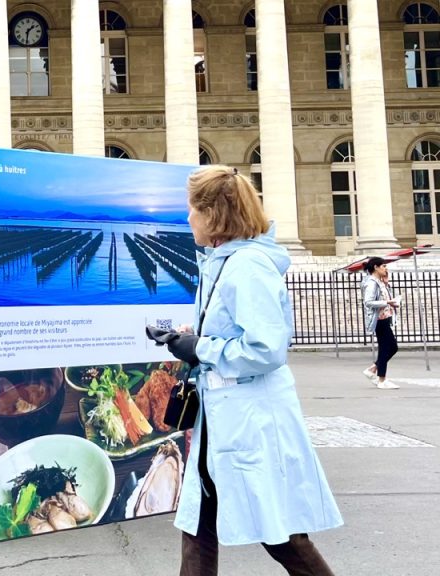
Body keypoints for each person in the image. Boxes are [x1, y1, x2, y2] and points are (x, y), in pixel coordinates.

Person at [145, 165, 342, 576]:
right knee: (200, 525)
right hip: (224, 417)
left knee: (280, 533)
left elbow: (266, 348)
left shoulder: (247, 266)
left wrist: (202, 347)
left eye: (191, 210)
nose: (187, 218)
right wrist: (192, 339)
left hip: (249, 418)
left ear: (213, 214)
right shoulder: (224, 262)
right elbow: (232, 332)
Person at [361, 257, 401, 390]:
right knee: (388, 348)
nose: (386, 269)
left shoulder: (379, 282)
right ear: (376, 267)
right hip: (378, 319)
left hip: (384, 318)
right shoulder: (371, 283)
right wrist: (387, 303)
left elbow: (384, 297)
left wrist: (387, 285)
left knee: (390, 348)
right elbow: (368, 302)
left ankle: (373, 370)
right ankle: (381, 379)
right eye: (383, 266)